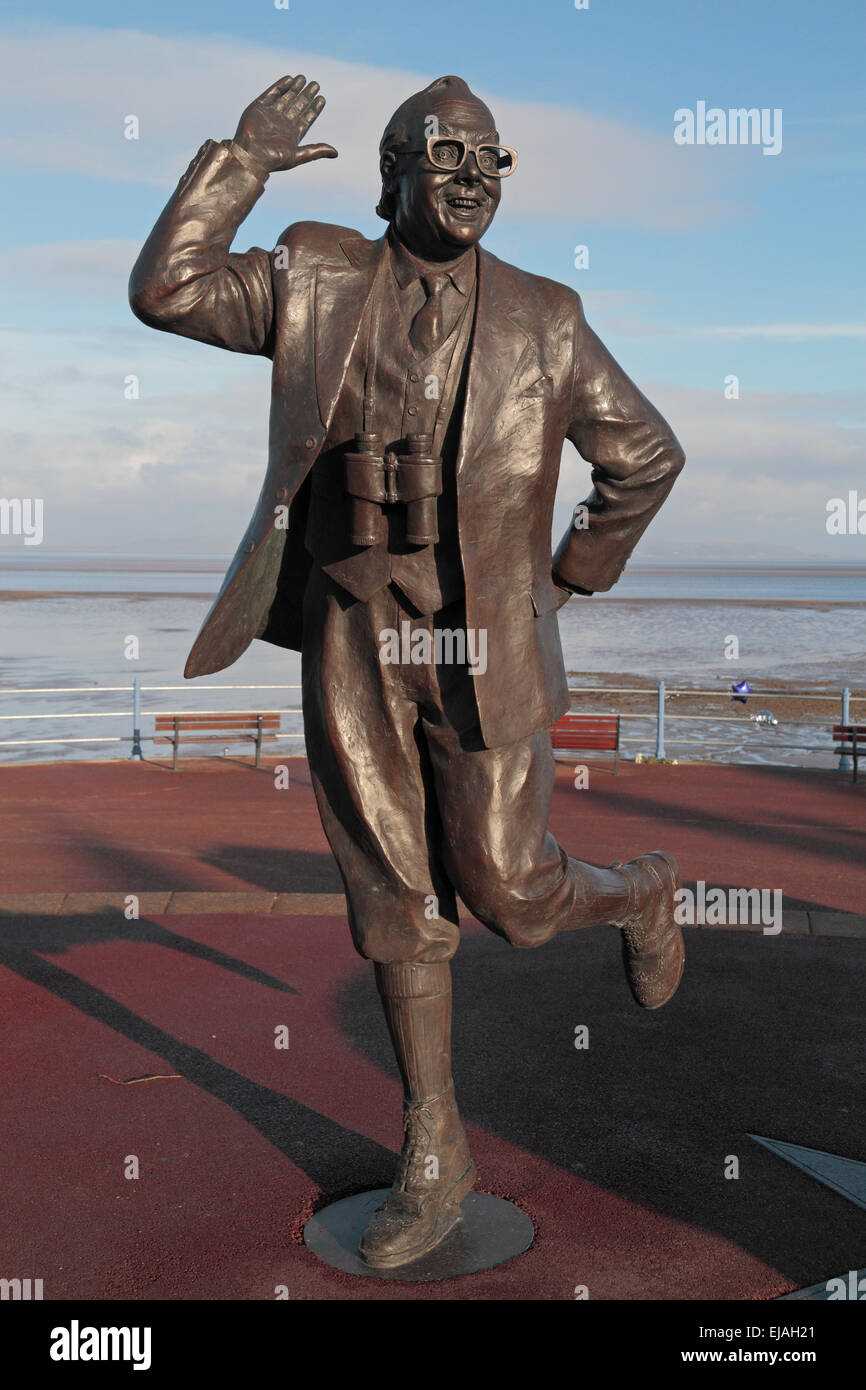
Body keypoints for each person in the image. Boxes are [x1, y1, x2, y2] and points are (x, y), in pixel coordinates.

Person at [130, 73, 687, 1270]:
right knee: (392, 899)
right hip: (352, 629)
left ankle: (636, 889)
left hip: (477, 643)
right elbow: (166, 291)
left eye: (492, 160)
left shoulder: (545, 318)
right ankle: (433, 1152)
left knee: (509, 895)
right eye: (447, 156)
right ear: (391, 173)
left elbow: (644, 456)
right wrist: (241, 161)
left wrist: (567, 580)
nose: (473, 178)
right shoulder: (315, 275)